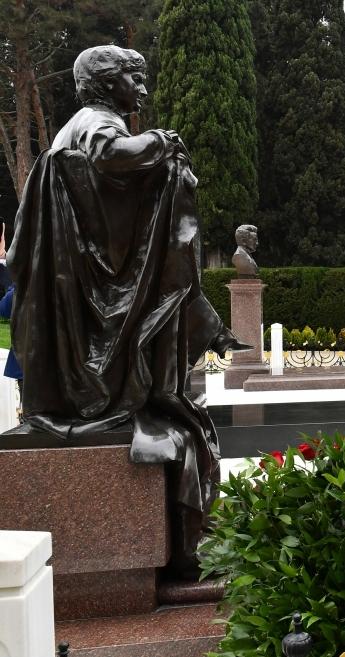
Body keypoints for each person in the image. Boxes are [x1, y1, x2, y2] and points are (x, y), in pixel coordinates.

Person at [7, 45, 244, 573]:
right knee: (175, 415)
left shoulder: (76, 127)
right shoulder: (96, 122)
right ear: (106, 82)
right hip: (91, 302)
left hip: (80, 299)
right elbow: (112, 156)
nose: (142, 88)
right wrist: (163, 143)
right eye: (133, 79)